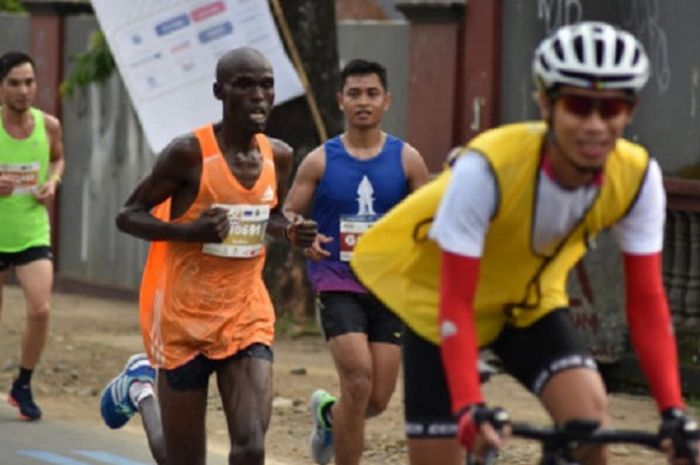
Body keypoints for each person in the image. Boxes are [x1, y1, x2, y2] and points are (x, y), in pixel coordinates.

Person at [350, 22, 700, 465]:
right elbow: (455, 298)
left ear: (630, 111)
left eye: (611, 108)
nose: (594, 125)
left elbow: (648, 301)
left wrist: (673, 412)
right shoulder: (487, 169)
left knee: (590, 427)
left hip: (526, 305)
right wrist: (468, 405)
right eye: (577, 105)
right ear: (545, 103)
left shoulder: (637, 177)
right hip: (440, 310)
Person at [98, 46, 317, 465]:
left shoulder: (279, 155)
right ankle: (141, 389)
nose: (258, 95)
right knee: (180, 459)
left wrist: (290, 228)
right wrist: (188, 231)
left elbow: (270, 212)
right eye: (245, 85)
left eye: (266, 85)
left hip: (243, 313)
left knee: (251, 447)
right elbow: (128, 215)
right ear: (220, 91)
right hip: (182, 317)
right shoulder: (189, 154)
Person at [283, 58, 430, 465]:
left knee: (377, 399)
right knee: (358, 379)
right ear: (340, 101)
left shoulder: (408, 160)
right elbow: (288, 213)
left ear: (386, 100)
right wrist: (301, 234)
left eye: (371, 93)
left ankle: (329, 416)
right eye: (354, 94)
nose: (363, 101)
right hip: (337, 281)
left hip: (389, 287)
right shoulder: (320, 159)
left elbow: (430, 219)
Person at [0, 51, 64, 421]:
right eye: (14, 83)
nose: (24, 90)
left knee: (40, 309)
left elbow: (58, 158)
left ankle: (22, 384)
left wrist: (53, 182)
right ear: (1, 86)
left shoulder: (49, 125)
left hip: (30, 229)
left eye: (29, 82)